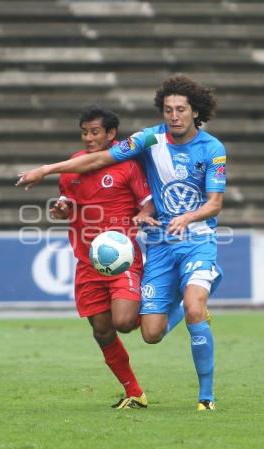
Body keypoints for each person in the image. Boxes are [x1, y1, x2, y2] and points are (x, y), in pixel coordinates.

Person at [17, 75, 226, 411]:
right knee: (148, 333)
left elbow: (215, 204)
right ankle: (139, 383)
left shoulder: (213, 149)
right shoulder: (147, 139)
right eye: (168, 109)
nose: (174, 115)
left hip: (197, 239)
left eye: (181, 109)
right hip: (158, 245)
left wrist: (184, 217)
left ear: (194, 111)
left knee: (192, 308)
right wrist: (49, 170)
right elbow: (99, 161)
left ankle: (207, 398)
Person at [46, 105, 160, 409]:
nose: (88, 138)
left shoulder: (128, 166)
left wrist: (142, 215)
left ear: (111, 134)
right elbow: (66, 202)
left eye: (95, 132)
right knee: (102, 330)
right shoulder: (72, 165)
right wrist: (61, 210)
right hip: (87, 262)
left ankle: (161, 299)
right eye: (85, 132)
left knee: (123, 322)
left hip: (121, 258)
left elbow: (149, 204)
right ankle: (134, 392)